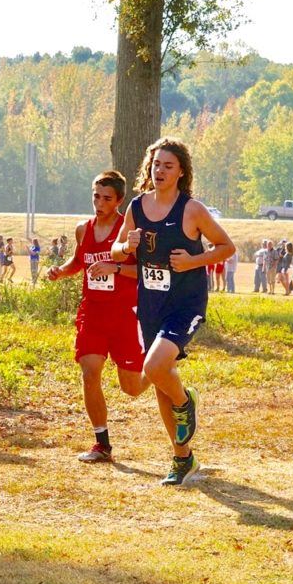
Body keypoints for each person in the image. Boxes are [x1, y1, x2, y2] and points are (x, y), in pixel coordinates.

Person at [111, 137, 234, 485]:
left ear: (181, 172)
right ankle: (183, 459)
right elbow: (119, 250)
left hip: (185, 304)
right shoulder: (137, 206)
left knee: (154, 367)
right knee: (161, 385)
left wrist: (194, 260)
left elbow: (226, 246)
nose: (160, 170)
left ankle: (187, 402)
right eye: (156, 164)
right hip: (151, 304)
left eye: (168, 165)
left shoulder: (191, 209)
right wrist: (126, 245)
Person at [46, 171, 149, 463]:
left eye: (106, 198)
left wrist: (114, 268)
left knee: (131, 387)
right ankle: (102, 443)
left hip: (125, 314)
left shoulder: (127, 231)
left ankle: (158, 371)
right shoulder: (84, 228)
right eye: (96, 196)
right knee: (90, 372)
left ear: (119, 201)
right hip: (92, 312)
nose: (99, 203)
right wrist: (61, 271)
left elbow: (143, 272)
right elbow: (79, 261)